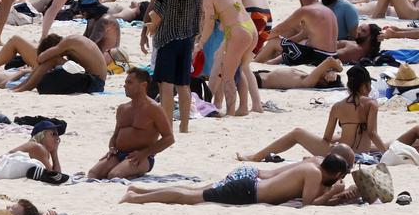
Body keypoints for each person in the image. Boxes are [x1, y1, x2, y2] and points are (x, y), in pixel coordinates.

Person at [239, 66, 385, 161]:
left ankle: (256, 157)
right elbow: (372, 133)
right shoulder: (371, 104)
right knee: (383, 144)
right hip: (360, 155)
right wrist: (385, 153)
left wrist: (340, 138)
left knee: (297, 133)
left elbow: (326, 138)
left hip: (339, 155)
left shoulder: (337, 106)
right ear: (366, 86)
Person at [121, 152, 352, 206]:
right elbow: (309, 205)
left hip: (250, 180)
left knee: (194, 191)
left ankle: (139, 191)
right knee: (191, 198)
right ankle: (136, 198)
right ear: (338, 174)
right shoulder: (313, 174)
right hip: (248, 190)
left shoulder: (313, 164)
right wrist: (332, 194)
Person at [145, 0, 202, 132]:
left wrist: (151, 27)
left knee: (166, 85)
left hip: (167, 39)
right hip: (187, 38)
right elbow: (199, 11)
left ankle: (168, 126)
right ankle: (184, 126)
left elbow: (158, 15)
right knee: (184, 84)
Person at [88, 67, 174, 179]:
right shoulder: (122, 108)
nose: (124, 86)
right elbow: (115, 135)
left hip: (141, 157)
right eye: (125, 82)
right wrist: (112, 147)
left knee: (114, 175)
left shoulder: (153, 108)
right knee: (93, 174)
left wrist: (145, 153)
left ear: (143, 85)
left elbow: (169, 138)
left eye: (129, 82)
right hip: (118, 154)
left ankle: (135, 172)